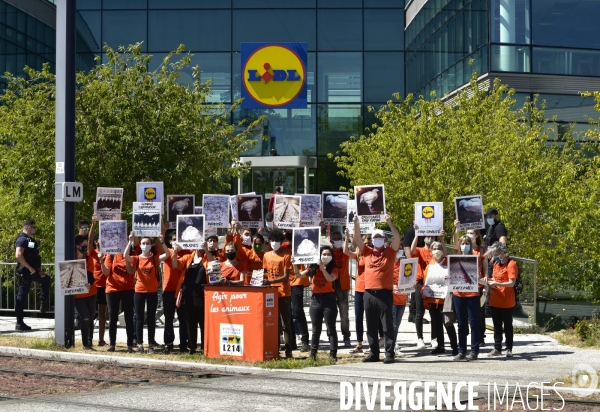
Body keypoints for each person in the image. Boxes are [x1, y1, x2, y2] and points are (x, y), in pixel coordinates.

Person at [352, 214, 401, 364]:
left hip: (384, 293)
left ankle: (389, 353)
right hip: (368, 293)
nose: (377, 239)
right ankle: (374, 353)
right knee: (371, 325)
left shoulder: (390, 252)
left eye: (380, 236)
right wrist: (356, 223)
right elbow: (357, 239)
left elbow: (398, 239)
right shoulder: (367, 251)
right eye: (375, 237)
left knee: (387, 325)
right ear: (372, 240)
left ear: (384, 239)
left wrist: (389, 223)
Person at [124, 232, 170, 354]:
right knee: (139, 318)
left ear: (151, 245)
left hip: (152, 292)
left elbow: (167, 254)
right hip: (139, 291)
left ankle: (151, 344)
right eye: (143, 243)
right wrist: (130, 241)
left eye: (147, 243)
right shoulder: (137, 258)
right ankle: (140, 344)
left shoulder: (154, 258)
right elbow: (125, 256)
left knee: (151, 318)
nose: (145, 245)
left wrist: (162, 241)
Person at [293, 246, 338, 362]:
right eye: (324, 254)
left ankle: (333, 354)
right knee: (315, 329)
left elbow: (329, 279)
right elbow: (298, 275)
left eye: (328, 254)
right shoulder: (313, 268)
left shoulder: (334, 268)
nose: (326, 256)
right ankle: (313, 353)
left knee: (330, 328)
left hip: (329, 300)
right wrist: (294, 264)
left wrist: (323, 268)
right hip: (315, 300)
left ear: (332, 256)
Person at [452, 230, 485, 361]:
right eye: (462, 243)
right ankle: (461, 351)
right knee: (461, 324)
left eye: (466, 243)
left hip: (472, 294)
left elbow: (476, 276)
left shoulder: (474, 258)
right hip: (458, 294)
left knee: (474, 323)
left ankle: (474, 351)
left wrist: (481, 280)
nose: (464, 245)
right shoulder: (455, 258)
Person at [421, 240, 458, 356]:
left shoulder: (449, 263)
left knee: (448, 322)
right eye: (434, 248)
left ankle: (455, 347)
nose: (436, 251)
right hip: (433, 299)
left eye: (439, 248)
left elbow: (457, 277)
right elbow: (425, 282)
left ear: (443, 250)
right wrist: (424, 292)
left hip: (445, 299)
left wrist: (450, 277)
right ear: (431, 251)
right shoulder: (429, 266)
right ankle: (440, 346)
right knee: (436, 323)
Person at [14, 219, 50, 330]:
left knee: (46, 279)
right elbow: (18, 255)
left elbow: (33, 258)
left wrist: (38, 270)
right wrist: (29, 268)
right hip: (24, 273)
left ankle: (43, 302)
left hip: (32, 272)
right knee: (22, 296)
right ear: (29, 227)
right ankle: (19, 323)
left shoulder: (30, 240)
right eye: (34, 227)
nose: (35, 229)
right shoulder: (22, 240)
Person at [172, 242, 207, 354]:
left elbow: (212, 265)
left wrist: (206, 249)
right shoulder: (188, 257)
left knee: (203, 323)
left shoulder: (207, 258)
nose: (200, 246)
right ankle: (192, 347)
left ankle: (204, 347)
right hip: (188, 296)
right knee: (190, 323)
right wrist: (174, 253)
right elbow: (175, 264)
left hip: (202, 296)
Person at [263, 229, 293, 358]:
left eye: (277, 241)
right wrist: (263, 280)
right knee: (272, 323)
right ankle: (275, 349)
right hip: (270, 293)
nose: (274, 242)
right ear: (269, 241)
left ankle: (288, 350)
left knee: (286, 323)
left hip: (283, 292)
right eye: (272, 240)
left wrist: (271, 281)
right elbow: (264, 271)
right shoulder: (266, 255)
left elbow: (286, 276)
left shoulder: (286, 255)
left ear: (281, 242)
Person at [485, 242, 517, 358]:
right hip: (495, 299)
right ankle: (497, 348)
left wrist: (496, 282)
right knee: (497, 326)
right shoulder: (496, 263)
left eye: (496, 254)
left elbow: (511, 283)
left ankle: (509, 348)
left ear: (502, 253)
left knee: (508, 325)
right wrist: (487, 280)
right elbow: (494, 278)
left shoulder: (511, 264)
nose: (494, 256)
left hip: (506, 301)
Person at [161, 229, 190, 353]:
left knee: (183, 318)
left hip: (182, 291)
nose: (176, 242)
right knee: (168, 318)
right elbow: (161, 254)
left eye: (178, 240)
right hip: (168, 290)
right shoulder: (169, 252)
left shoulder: (187, 253)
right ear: (170, 241)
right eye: (173, 240)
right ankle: (169, 343)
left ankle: (184, 343)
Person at [410, 231, 439, 350]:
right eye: (427, 236)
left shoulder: (436, 252)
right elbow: (412, 250)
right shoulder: (420, 250)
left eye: (431, 236)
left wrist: (441, 239)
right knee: (419, 312)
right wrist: (417, 234)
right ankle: (420, 338)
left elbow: (445, 257)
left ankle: (434, 338)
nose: (429, 238)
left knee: (433, 312)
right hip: (420, 282)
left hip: (434, 283)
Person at [103, 248, 135, 353]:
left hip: (127, 289)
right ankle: (112, 344)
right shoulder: (111, 254)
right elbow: (106, 272)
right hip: (112, 289)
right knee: (112, 317)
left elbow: (131, 271)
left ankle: (130, 344)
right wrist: (100, 262)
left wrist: (126, 255)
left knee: (129, 317)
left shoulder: (131, 254)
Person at [329, 230, 354, 347]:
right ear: (331, 240)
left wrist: (348, 236)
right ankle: (331, 336)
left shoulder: (345, 252)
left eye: (341, 239)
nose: (339, 241)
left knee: (344, 315)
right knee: (330, 314)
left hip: (343, 288)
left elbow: (354, 246)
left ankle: (346, 336)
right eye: (336, 239)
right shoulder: (327, 253)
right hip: (330, 288)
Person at [74, 234, 97, 350]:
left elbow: (91, 274)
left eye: (86, 244)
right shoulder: (70, 258)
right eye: (83, 244)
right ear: (77, 245)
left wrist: (89, 283)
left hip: (90, 292)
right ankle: (85, 344)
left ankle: (89, 342)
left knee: (91, 317)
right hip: (77, 294)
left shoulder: (88, 257)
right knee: (85, 317)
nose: (85, 246)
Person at [348, 233, 370, 353]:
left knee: (370, 318)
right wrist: (347, 238)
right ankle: (359, 343)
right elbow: (346, 251)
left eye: (368, 243)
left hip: (370, 289)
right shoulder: (359, 255)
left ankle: (372, 343)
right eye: (364, 243)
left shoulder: (372, 254)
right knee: (358, 317)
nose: (366, 245)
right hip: (359, 289)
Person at [88, 217, 107, 346]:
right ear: (96, 241)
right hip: (93, 286)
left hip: (106, 287)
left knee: (102, 314)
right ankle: (89, 339)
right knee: (90, 313)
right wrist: (93, 224)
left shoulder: (109, 253)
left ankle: (101, 340)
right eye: (101, 238)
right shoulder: (94, 253)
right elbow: (88, 243)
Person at [391, 250, 408, 357]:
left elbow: (410, 278)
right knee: (392, 325)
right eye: (397, 249)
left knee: (396, 326)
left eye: (400, 249)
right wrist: (391, 286)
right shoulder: (387, 264)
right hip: (391, 299)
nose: (399, 251)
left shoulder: (405, 264)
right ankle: (391, 348)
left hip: (402, 299)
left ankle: (392, 346)